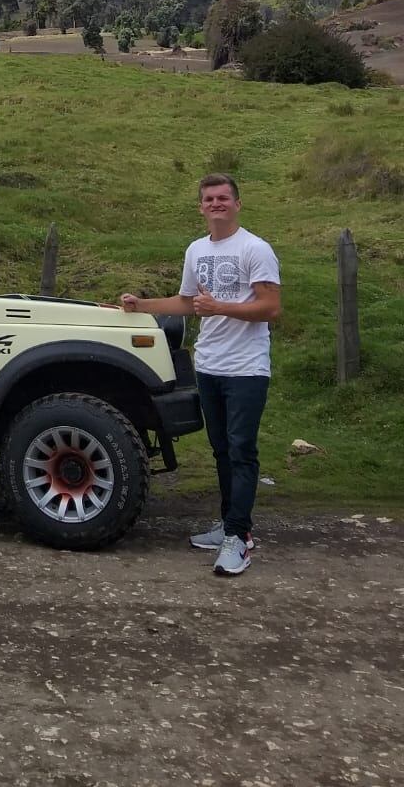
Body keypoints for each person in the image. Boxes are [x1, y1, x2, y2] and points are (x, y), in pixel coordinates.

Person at [121, 174, 281, 577]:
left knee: (242, 449)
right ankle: (228, 524)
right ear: (200, 207)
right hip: (209, 365)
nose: (216, 204)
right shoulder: (195, 250)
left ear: (238, 204)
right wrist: (142, 305)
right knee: (221, 450)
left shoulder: (256, 249)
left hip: (246, 368)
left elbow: (270, 307)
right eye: (209, 199)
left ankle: (239, 539)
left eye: (223, 198)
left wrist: (222, 308)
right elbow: (189, 302)